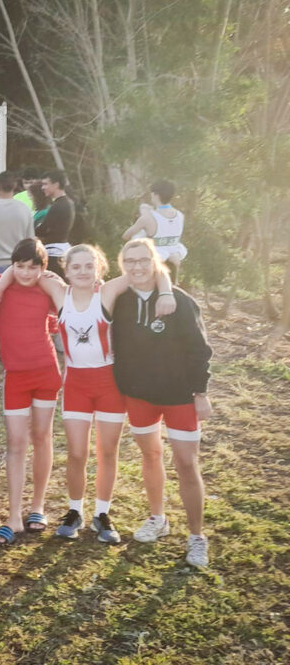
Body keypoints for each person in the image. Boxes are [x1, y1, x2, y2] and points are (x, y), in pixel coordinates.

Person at [0, 243, 173, 543]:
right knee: (76, 452)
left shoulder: (108, 292)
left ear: (99, 268)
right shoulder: (58, 290)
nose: (83, 271)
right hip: (76, 383)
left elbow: (150, 269)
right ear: (65, 269)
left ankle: (102, 513)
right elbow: (22, 264)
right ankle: (75, 511)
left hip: (109, 382)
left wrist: (165, 291)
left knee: (107, 451)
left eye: (89, 266)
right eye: (76, 267)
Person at [111, 238, 212, 568]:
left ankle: (197, 536)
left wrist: (200, 393)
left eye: (144, 260)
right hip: (139, 395)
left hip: (179, 395)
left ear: (155, 262)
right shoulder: (120, 301)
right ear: (123, 265)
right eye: (130, 261)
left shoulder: (179, 301)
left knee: (186, 462)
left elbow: (200, 350)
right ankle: (158, 519)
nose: (137, 267)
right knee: (150, 454)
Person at [0, 239, 60, 546]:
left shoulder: (48, 288)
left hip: (46, 373)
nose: (26, 273)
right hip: (15, 377)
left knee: (42, 436)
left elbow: (77, 297)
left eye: (33, 267)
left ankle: (37, 506)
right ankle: (14, 518)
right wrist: (2, 282)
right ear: (12, 266)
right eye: (20, 267)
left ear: (43, 268)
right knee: (16, 443)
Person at [121, 179, 187, 283]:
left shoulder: (148, 218)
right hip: (174, 260)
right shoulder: (180, 216)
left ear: (156, 195)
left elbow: (126, 235)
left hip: (154, 263)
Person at [35, 169, 74, 275]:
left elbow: (43, 230)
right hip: (62, 250)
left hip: (54, 255)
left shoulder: (58, 205)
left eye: (45, 184)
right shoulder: (68, 202)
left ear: (56, 184)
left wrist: (33, 228)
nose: (43, 187)